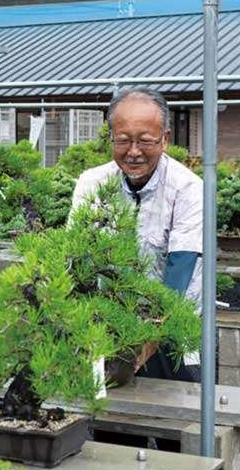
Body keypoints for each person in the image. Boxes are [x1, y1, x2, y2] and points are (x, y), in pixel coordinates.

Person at [70, 88, 203, 382]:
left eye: (145, 141)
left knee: (177, 416)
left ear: (165, 139)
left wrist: (149, 339)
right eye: (122, 140)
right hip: (106, 327)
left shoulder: (187, 187)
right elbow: (76, 258)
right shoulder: (91, 183)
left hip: (171, 329)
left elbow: (180, 267)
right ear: (110, 138)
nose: (133, 151)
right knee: (107, 421)